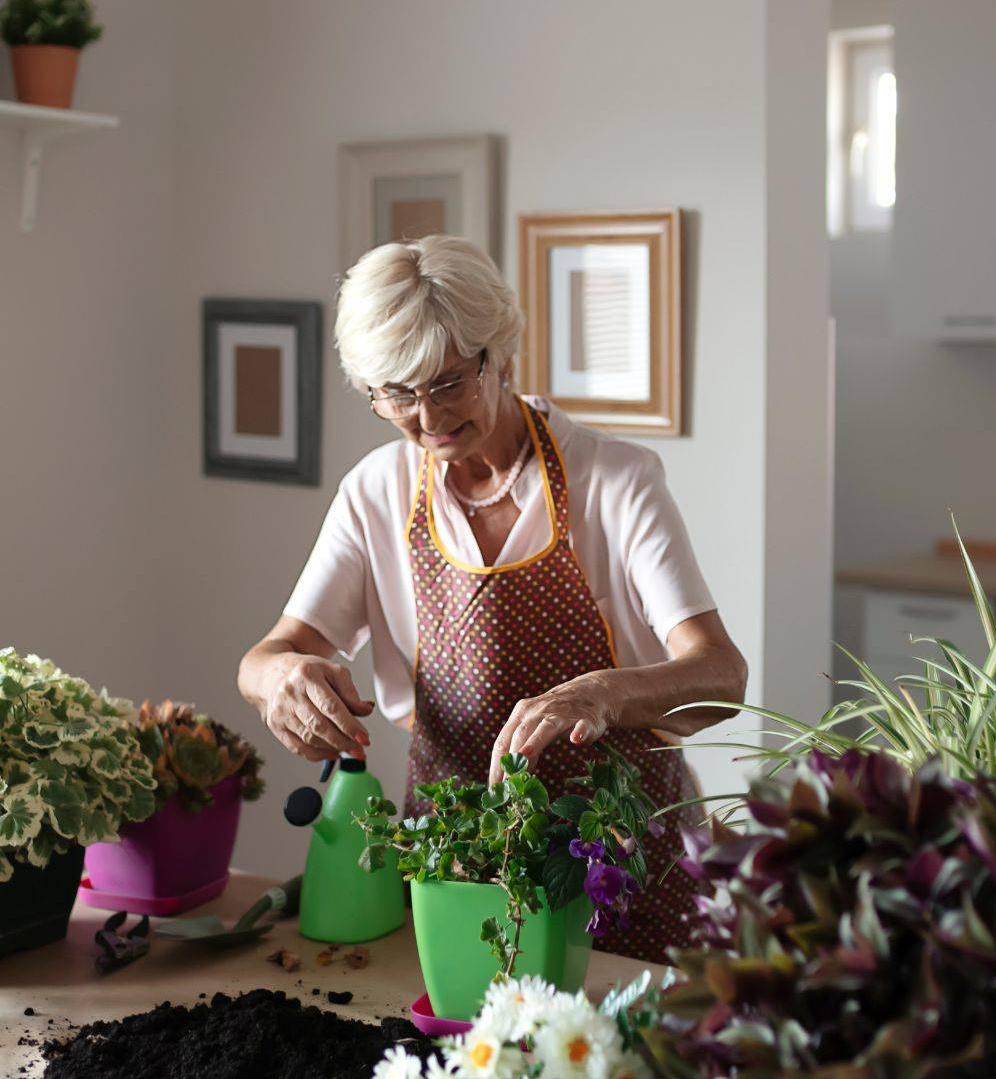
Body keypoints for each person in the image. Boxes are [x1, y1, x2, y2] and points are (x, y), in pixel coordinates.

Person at [237, 234, 746, 962]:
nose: (427, 416)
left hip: (620, 863)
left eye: (448, 382)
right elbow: (267, 656)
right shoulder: (377, 493)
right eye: (397, 394)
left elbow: (722, 678)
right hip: (458, 867)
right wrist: (280, 680)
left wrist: (599, 695)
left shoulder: (616, 480)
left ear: (498, 354)